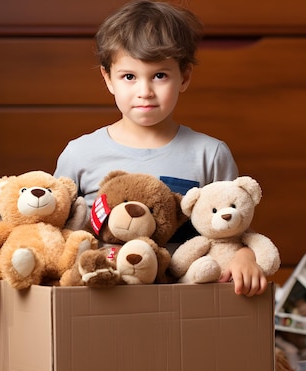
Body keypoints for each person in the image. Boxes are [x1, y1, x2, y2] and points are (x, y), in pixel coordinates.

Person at [54, 0, 269, 300]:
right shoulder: (79, 155)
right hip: (101, 304)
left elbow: (231, 233)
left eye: (160, 75)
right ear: (108, 79)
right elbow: (56, 238)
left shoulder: (209, 154)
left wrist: (245, 257)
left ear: (185, 77)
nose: (145, 91)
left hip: (182, 305)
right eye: (129, 76)